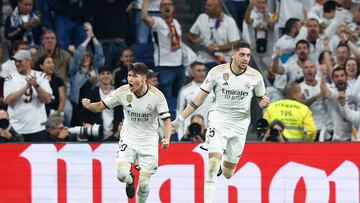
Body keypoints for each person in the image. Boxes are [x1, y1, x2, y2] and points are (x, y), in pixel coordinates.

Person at [172, 41, 270, 203]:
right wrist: (180, 119)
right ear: (233, 55)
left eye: (248, 55)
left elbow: (261, 99)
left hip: (240, 125)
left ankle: (223, 164)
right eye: (242, 55)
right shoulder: (217, 72)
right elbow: (199, 98)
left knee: (228, 173)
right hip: (218, 120)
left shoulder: (255, 76)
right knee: (212, 163)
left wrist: (263, 102)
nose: (246, 58)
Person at [81, 62, 171, 202]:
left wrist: (167, 138)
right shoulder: (122, 92)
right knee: (121, 175)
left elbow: (166, 120)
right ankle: (130, 180)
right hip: (129, 138)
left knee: (144, 185)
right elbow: (99, 107)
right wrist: (89, 105)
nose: (130, 79)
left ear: (143, 78)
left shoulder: (157, 96)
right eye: (129, 75)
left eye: (134, 76)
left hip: (148, 141)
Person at [4, 50, 52, 142]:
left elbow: (48, 99)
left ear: (28, 61)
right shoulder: (10, 78)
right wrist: (26, 86)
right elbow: (8, 100)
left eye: (20, 61)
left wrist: (36, 85)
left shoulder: (41, 76)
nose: (17, 64)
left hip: (37, 128)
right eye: (15, 61)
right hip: (16, 128)